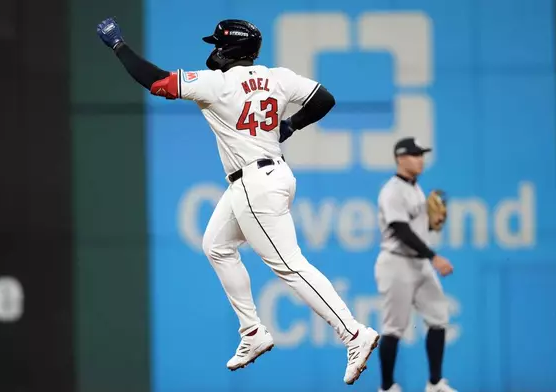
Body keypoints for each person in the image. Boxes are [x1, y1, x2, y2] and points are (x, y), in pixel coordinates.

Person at [96, 17, 380, 385]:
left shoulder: (217, 83)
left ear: (229, 48)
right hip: (269, 175)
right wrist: (289, 126)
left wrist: (119, 46)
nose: (212, 49)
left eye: (217, 43)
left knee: (290, 267)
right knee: (216, 245)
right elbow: (324, 99)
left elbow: (157, 82)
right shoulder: (278, 76)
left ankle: (353, 334)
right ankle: (253, 332)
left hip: (254, 185)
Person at [374, 137, 456, 392]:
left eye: (421, 154)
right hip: (396, 263)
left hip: (418, 264)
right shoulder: (392, 190)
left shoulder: (416, 189)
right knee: (393, 328)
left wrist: (431, 224)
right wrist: (434, 256)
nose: (420, 159)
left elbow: (416, 230)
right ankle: (387, 387)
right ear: (400, 158)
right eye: (414, 154)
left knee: (439, 318)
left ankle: (435, 383)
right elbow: (400, 230)